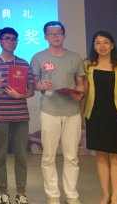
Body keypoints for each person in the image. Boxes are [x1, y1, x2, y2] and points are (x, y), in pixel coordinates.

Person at [30, 21, 85, 204]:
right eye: (51, 33)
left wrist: (79, 94)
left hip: (72, 112)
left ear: (64, 36)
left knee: (71, 157)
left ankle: (72, 195)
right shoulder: (38, 57)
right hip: (49, 111)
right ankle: (53, 195)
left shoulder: (75, 57)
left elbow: (80, 83)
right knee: (48, 156)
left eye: (58, 32)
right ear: (45, 37)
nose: (55, 36)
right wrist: (41, 86)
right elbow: (34, 84)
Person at [81, 31, 117, 204]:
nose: (102, 46)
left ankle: (116, 196)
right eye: (98, 43)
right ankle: (106, 195)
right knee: (101, 156)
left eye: (105, 42)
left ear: (112, 45)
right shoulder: (87, 65)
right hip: (95, 115)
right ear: (94, 46)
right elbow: (85, 92)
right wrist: (81, 115)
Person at [0, 28, 35, 204]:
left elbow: (31, 91)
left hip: (21, 116)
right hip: (0, 115)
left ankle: (21, 193)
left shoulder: (23, 63)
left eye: (14, 39)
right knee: (0, 156)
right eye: (7, 39)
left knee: (21, 156)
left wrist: (20, 96)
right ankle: (3, 192)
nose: (11, 42)